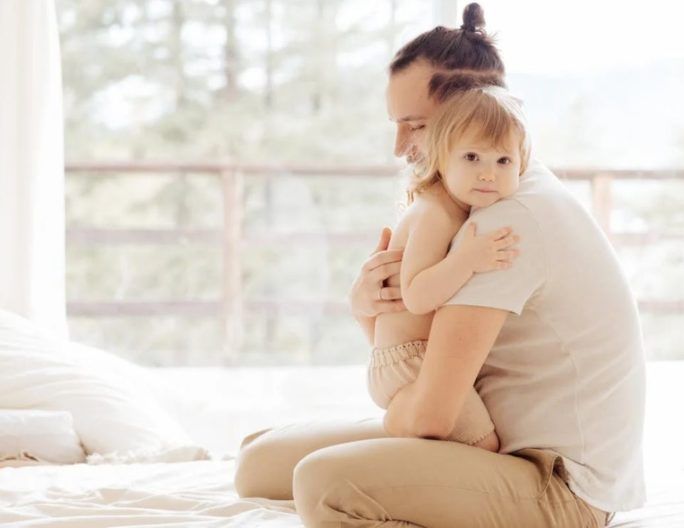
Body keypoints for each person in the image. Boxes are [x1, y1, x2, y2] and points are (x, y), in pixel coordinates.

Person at [235, 4, 646, 527]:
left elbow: (432, 414)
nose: (399, 147)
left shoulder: (505, 222)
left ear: (471, 113)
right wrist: (368, 310)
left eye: (415, 126)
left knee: (324, 481)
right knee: (258, 462)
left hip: (558, 485)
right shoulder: (470, 203)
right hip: (482, 437)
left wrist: (397, 423)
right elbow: (420, 362)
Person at [368, 86, 530, 454]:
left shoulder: (455, 206)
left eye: (503, 161)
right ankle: (400, 423)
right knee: (484, 446)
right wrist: (466, 261)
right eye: (472, 157)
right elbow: (416, 295)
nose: (488, 174)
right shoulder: (435, 213)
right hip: (409, 360)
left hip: (409, 357)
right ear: (442, 158)